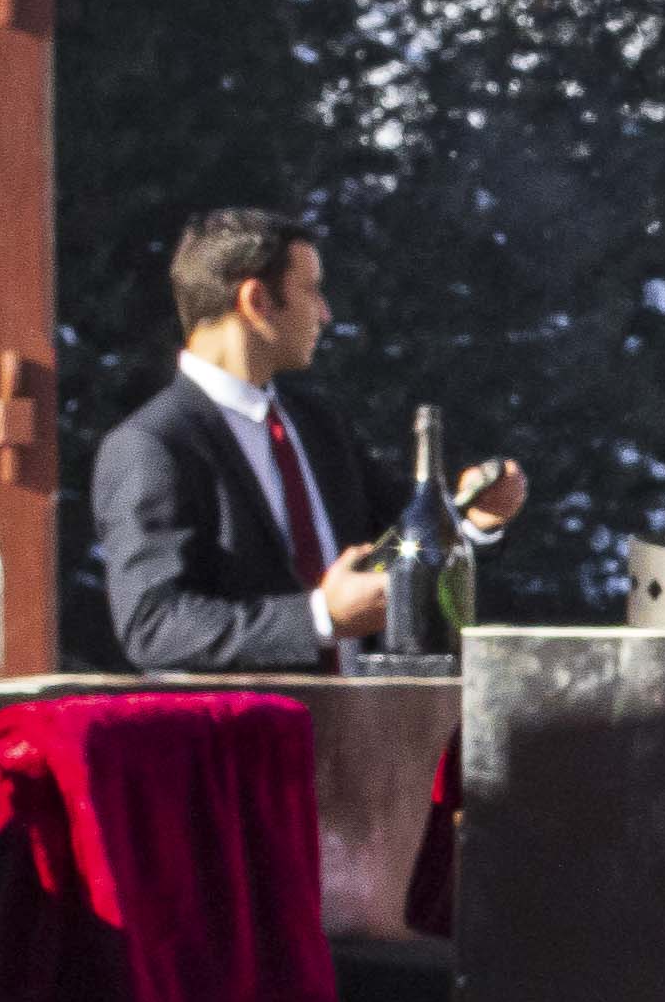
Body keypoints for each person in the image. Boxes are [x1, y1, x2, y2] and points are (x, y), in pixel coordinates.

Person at [92, 207, 520, 671]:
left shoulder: (318, 423)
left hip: (364, 727)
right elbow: (152, 625)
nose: (326, 314)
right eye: (312, 291)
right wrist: (319, 617)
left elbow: (405, 549)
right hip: (247, 738)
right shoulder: (153, 446)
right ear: (256, 300)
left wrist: (477, 521)